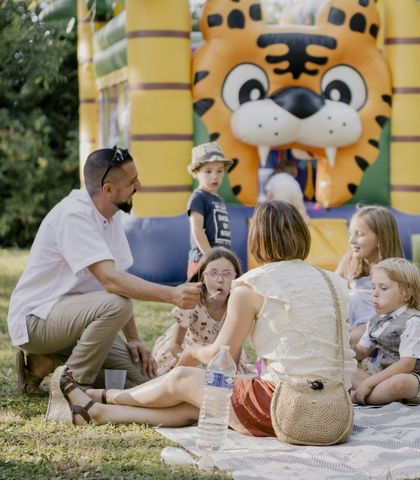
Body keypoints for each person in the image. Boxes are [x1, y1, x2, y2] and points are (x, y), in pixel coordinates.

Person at [45, 200, 356, 436]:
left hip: (287, 408)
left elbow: (221, 355)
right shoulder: (334, 283)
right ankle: (96, 412)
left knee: (184, 379)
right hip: (336, 413)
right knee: (198, 403)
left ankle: (102, 395)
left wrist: (191, 352)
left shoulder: (254, 284)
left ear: (257, 240)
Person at [7, 146, 202, 396]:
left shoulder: (111, 213)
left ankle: (45, 362)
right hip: (37, 320)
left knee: (141, 380)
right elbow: (111, 283)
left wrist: (134, 339)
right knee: (117, 305)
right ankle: (72, 386)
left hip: (75, 320)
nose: (139, 185)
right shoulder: (74, 215)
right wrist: (173, 295)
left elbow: (119, 277)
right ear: (108, 190)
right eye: (132, 182)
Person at [152, 246, 254, 376]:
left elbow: (235, 346)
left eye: (227, 273)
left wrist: (229, 373)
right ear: (203, 277)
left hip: (222, 356)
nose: (220, 279)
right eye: (213, 273)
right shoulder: (192, 301)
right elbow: (175, 344)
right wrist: (194, 364)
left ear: (236, 277)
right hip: (188, 351)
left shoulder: (237, 304)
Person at [351, 258, 420, 406]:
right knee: (342, 367)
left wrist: (369, 382)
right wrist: (348, 347)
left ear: (406, 294)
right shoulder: (376, 321)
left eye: (383, 288)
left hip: (415, 383)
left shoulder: (415, 322)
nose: (374, 294)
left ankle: (355, 396)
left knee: (401, 382)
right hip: (381, 377)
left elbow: (406, 365)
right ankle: (375, 393)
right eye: (373, 287)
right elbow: (362, 352)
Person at [335, 205, 404, 348]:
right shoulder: (350, 260)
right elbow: (330, 289)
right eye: (351, 233)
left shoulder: (394, 270)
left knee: (346, 344)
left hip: (376, 326)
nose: (351, 240)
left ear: (380, 239)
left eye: (359, 234)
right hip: (349, 321)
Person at [186, 142, 233, 279]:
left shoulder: (220, 200)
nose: (215, 176)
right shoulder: (198, 197)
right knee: (199, 297)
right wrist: (210, 257)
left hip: (221, 260)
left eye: (219, 170)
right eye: (208, 171)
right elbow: (197, 230)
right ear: (195, 172)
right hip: (203, 260)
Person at [264, 159, 309, 223]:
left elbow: (268, 195)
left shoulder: (274, 178)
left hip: (281, 197)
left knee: (279, 209)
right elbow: (299, 197)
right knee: (300, 208)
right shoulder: (293, 181)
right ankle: (305, 219)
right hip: (295, 191)